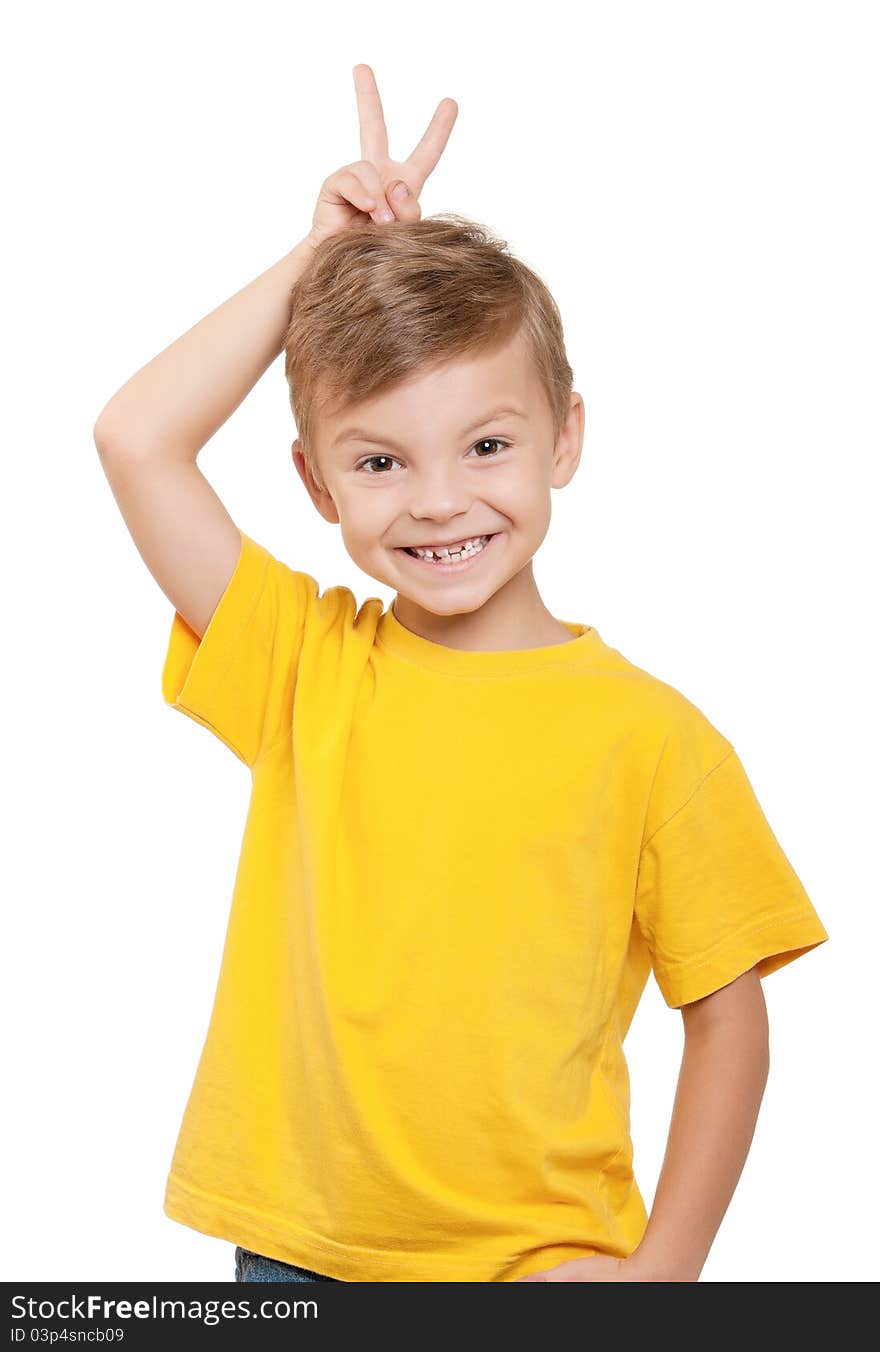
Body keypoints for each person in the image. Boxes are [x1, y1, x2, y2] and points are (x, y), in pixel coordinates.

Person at [94, 63, 829, 1284]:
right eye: (378, 461)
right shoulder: (303, 661)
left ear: (565, 438)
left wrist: (664, 1275)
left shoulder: (653, 735)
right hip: (295, 1258)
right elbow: (136, 436)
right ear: (316, 486)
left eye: (485, 444)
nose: (439, 500)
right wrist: (313, 262)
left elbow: (730, 1015)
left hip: (536, 1269)